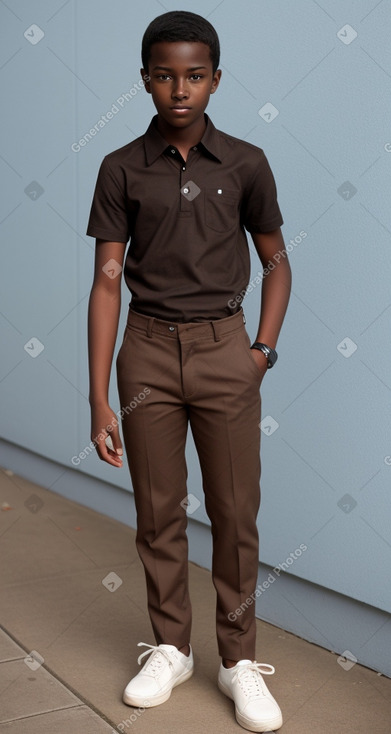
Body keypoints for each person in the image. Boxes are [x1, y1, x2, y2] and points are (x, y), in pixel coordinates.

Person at [86, 10, 291, 732]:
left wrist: (259, 352)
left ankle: (238, 663)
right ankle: (170, 648)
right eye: (165, 75)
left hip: (224, 352)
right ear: (145, 80)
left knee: (235, 515)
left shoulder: (245, 162)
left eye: (194, 75)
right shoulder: (119, 167)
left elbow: (274, 261)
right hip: (144, 352)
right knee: (157, 513)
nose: (180, 89)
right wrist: (98, 396)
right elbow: (107, 280)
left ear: (215, 79)